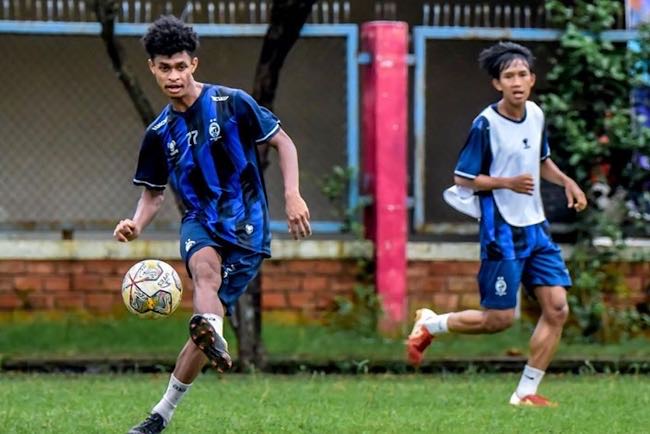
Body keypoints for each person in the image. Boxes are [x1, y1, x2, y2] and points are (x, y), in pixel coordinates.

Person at [113, 15, 312, 433]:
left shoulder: (231, 102)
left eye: (180, 67)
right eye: (164, 68)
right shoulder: (158, 133)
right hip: (200, 221)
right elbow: (153, 193)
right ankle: (212, 331)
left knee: (204, 330)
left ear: (194, 65)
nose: (173, 76)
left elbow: (283, 140)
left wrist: (292, 194)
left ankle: (161, 413)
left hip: (248, 229)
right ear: (152, 67)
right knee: (205, 273)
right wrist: (135, 223)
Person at [406, 42, 587, 407]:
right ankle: (431, 324)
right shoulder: (485, 124)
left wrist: (567, 181)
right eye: (509, 76)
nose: (517, 82)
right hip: (501, 232)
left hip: (536, 228)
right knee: (499, 319)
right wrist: (506, 183)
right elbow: (463, 177)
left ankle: (525, 393)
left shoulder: (535, 114)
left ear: (532, 79)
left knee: (557, 308)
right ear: (497, 84)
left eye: (523, 74)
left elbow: (540, 160)